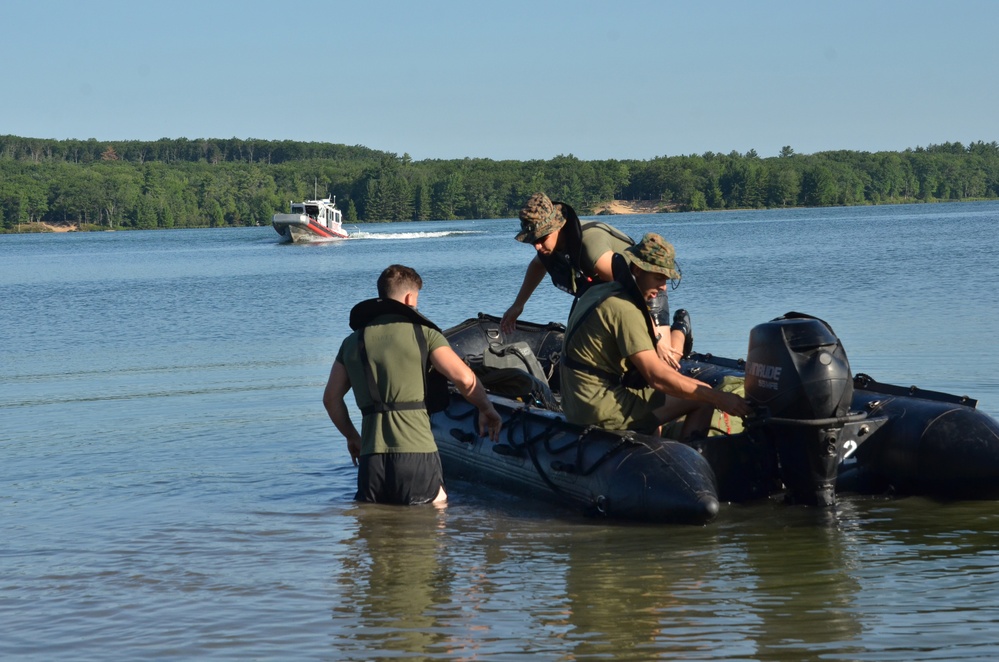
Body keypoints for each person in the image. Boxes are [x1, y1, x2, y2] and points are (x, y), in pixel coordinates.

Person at [323, 264, 502, 505]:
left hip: (371, 459)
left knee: (376, 535)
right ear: (409, 298)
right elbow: (465, 379)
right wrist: (486, 408)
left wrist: (352, 437)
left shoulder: (352, 342)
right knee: (430, 524)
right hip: (416, 453)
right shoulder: (425, 335)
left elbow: (331, 399)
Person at [559, 233, 753, 441]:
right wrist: (718, 397)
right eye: (659, 278)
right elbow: (656, 375)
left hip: (576, 402)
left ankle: (654, 441)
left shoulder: (599, 291)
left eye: (666, 280)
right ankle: (689, 463)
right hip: (598, 407)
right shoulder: (625, 309)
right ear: (637, 270)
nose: (663, 288)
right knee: (703, 397)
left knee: (674, 393)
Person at [500, 192, 691, 367]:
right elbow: (537, 265)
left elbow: (631, 290)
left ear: (558, 226)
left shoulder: (592, 251)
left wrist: (656, 337)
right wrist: (519, 305)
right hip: (610, 297)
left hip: (645, 287)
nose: (537, 246)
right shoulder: (551, 245)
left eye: (542, 238)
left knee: (664, 361)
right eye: (533, 241)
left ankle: (681, 326)